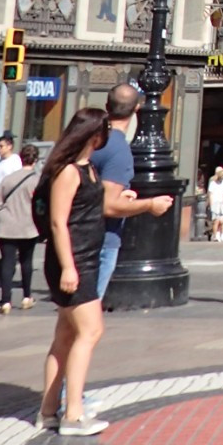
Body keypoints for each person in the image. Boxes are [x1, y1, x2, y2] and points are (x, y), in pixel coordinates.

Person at [35, 107, 112, 436]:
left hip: (86, 257)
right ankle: (73, 414)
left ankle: (48, 410)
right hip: (74, 260)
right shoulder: (67, 171)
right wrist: (68, 266)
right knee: (90, 332)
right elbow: (57, 221)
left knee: (65, 337)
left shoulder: (88, 168)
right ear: (94, 135)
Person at [91, 84, 165, 302]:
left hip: (77, 233)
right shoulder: (118, 149)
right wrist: (150, 205)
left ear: (107, 106)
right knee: (88, 320)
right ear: (137, 109)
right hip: (103, 238)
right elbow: (108, 206)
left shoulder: (92, 141)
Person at [0, 144, 42, 313]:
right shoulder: (38, 180)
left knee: (7, 262)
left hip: (7, 224)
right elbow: (42, 205)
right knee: (27, 261)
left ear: (20, 159)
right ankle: (27, 297)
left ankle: (5, 301)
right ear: (36, 160)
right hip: (29, 225)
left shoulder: (9, 179)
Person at [207, 167, 223, 243]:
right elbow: (210, 194)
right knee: (216, 220)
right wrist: (211, 205)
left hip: (221, 203)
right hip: (215, 202)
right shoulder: (212, 183)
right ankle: (216, 235)